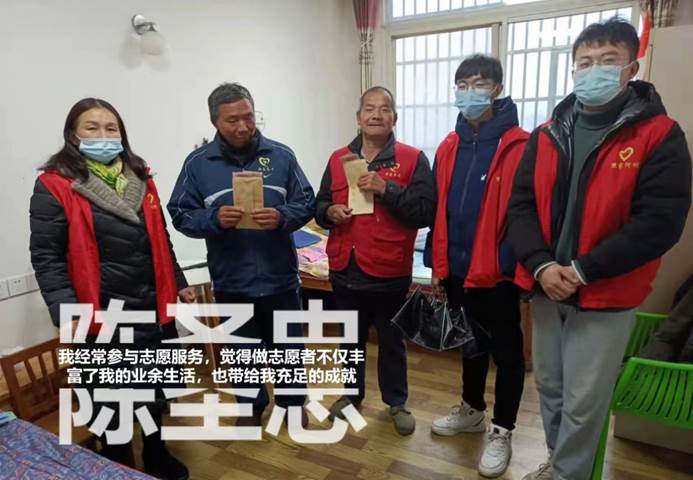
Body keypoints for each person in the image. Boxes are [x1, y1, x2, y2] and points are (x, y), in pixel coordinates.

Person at [507, 18, 691, 480]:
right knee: (550, 388)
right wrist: (541, 265)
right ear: (573, 69)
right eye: (585, 62)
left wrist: (583, 269)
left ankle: (569, 474)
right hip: (547, 286)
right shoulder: (548, 132)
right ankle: (561, 464)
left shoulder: (659, 134)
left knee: (584, 402)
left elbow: (659, 223)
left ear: (631, 68)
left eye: (608, 60)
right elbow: (521, 206)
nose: (595, 70)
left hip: (606, 294)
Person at [29, 98, 193, 480]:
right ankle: (119, 466)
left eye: (111, 128)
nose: (103, 134)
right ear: (73, 135)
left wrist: (179, 282)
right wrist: (67, 311)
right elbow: (46, 257)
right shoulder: (54, 184)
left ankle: (156, 453)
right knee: (111, 404)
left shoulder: (141, 177)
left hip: (151, 308)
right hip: (100, 315)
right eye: (92, 127)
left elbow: (160, 238)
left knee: (154, 393)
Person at [167, 82, 316, 426]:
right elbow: (180, 214)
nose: (243, 126)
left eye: (249, 117)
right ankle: (250, 408)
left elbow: (306, 201)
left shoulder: (281, 156)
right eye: (232, 120)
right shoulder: (198, 164)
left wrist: (282, 217)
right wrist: (214, 219)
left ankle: (293, 405)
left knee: (288, 350)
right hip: (232, 281)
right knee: (242, 353)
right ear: (215, 122)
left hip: (280, 279)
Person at [424, 54, 529, 478]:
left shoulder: (520, 144)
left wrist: (511, 262)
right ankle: (472, 410)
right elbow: (440, 209)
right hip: (457, 270)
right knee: (469, 344)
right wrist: (437, 264)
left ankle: (502, 430)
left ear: (497, 89)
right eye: (463, 85)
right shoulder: (449, 145)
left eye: (479, 83)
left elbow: (529, 213)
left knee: (507, 353)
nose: (470, 92)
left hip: (498, 273)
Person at [315, 86, 436, 436]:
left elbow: (425, 212)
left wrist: (387, 189)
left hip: (389, 269)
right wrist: (329, 212)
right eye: (369, 108)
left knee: (392, 341)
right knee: (349, 341)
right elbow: (319, 204)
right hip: (345, 266)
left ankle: (396, 402)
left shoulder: (413, 159)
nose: (376, 115)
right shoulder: (338, 159)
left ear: (394, 118)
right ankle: (351, 396)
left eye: (384, 109)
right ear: (358, 117)